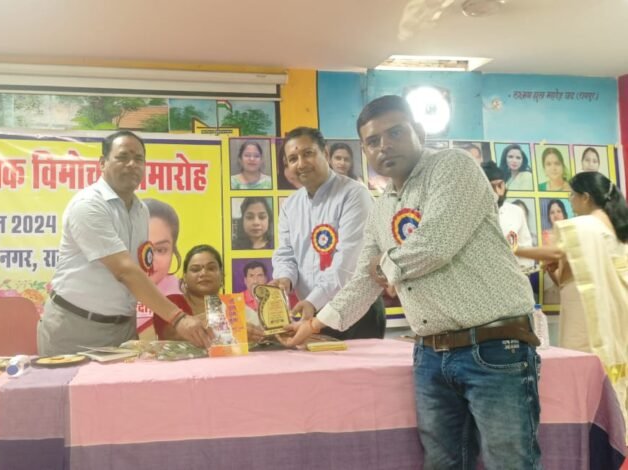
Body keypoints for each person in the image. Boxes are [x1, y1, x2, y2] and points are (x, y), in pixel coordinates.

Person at [280, 96, 540, 469]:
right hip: (431, 354)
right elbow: (363, 280)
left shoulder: (452, 167)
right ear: (364, 151)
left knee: (510, 463)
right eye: (372, 141)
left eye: (395, 133)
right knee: (442, 464)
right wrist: (315, 324)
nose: (384, 146)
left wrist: (384, 266)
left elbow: (434, 245)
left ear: (419, 131)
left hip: (494, 345)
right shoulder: (383, 206)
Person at [38, 131, 212, 355]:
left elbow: (139, 266)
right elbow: (124, 270)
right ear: (102, 163)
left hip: (123, 329)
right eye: (122, 157)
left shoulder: (141, 211)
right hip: (76, 326)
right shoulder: (89, 205)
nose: (132, 164)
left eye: (139, 159)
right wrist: (178, 318)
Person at [514, 172, 628, 431]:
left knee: (584, 373)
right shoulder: (614, 228)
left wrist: (514, 249)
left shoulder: (585, 226)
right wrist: (554, 271)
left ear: (585, 197)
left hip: (589, 317)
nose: (571, 200)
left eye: (572, 195)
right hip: (614, 315)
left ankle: (594, 431)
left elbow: (556, 251)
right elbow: (570, 279)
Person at [272, 126, 385, 340]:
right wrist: (284, 279)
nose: (301, 164)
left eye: (308, 153)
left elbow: (347, 263)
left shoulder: (354, 195)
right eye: (293, 159)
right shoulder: (290, 206)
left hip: (356, 311)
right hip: (309, 312)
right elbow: (285, 254)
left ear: (325, 153)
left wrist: (313, 301)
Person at [153, 244, 264, 342]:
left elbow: (262, 334)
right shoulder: (171, 303)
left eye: (211, 268)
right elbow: (171, 334)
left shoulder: (234, 307)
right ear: (185, 277)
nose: (203, 273)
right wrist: (229, 328)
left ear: (221, 276)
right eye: (195, 269)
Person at [481, 161, 534, 270]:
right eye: (492, 187)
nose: (498, 192)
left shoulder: (516, 212)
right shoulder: (473, 214)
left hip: (514, 273)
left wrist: (523, 271)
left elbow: (525, 247)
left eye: (500, 185)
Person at [144, 198, 182, 295]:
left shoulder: (187, 295)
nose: (149, 261)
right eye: (140, 248)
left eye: (160, 250)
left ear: (173, 250)